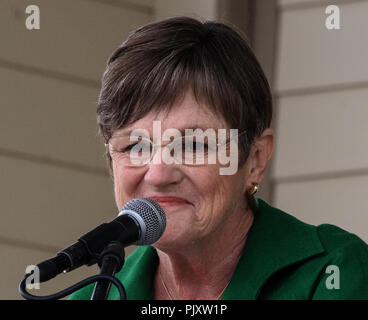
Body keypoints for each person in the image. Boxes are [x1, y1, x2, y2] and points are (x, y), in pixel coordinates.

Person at [69, 17, 368, 300]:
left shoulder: (334, 273)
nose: (159, 174)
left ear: (255, 159)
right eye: (135, 146)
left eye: (194, 146)